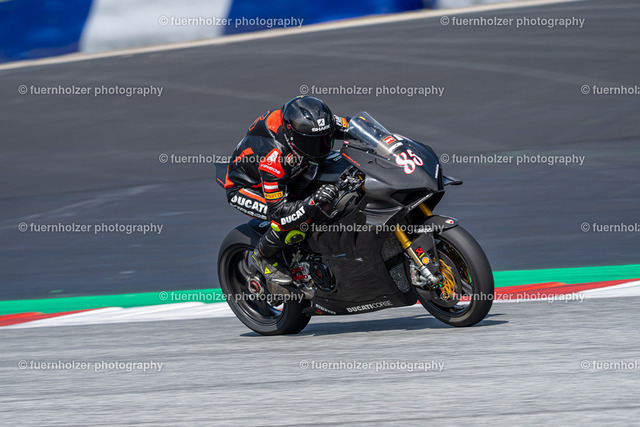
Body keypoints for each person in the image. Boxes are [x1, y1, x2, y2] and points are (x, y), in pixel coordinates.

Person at [223, 96, 350, 286]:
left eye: (324, 140)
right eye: (310, 143)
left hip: (291, 172)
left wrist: (387, 143)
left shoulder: (316, 123)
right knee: (293, 219)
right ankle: (263, 256)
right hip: (248, 187)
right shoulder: (273, 158)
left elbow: (353, 127)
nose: (319, 147)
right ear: (292, 136)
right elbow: (278, 211)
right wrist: (310, 203)